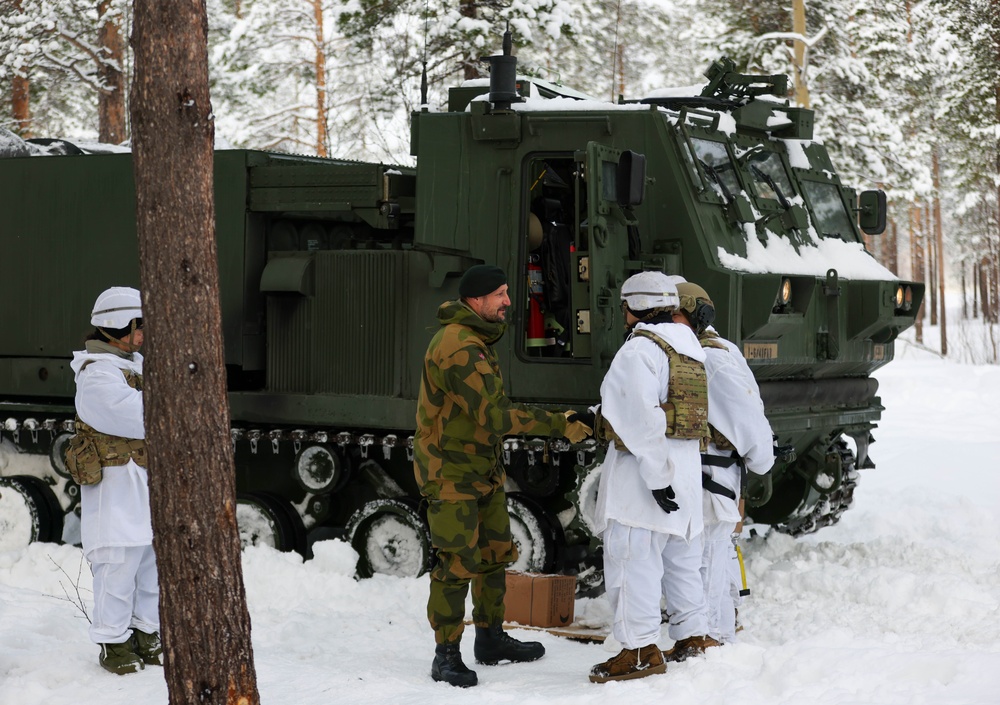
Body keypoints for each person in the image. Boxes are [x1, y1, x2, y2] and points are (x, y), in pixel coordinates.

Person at [413, 264, 593, 688]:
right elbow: (494, 417)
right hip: (451, 472)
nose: (508, 302)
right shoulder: (459, 347)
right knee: (456, 564)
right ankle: (446, 656)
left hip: (481, 470)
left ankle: (490, 639)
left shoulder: (476, 339)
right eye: (500, 294)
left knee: (494, 555)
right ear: (476, 300)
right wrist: (558, 423)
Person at [588, 271, 714, 683]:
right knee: (681, 562)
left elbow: (639, 419)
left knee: (632, 562)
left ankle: (640, 649)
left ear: (633, 308)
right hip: (687, 477)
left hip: (646, 483)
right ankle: (693, 635)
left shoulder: (639, 350)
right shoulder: (690, 348)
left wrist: (657, 479)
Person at [669, 280, 773, 646]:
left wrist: (760, 460)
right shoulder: (708, 350)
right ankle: (711, 636)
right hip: (703, 477)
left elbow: (748, 419)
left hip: (711, 478)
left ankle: (714, 639)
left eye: (675, 314)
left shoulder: (710, 357)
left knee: (707, 562)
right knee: (709, 560)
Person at [69, 286, 161, 675]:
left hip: (144, 485)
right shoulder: (97, 373)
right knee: (117, 563)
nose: (142, 335)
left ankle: (146, 632)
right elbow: (137, 417)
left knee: (150, 563)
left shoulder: (134, 365)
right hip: (117, 487)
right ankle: (113, 641)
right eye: (137, 326)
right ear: (116, 326)